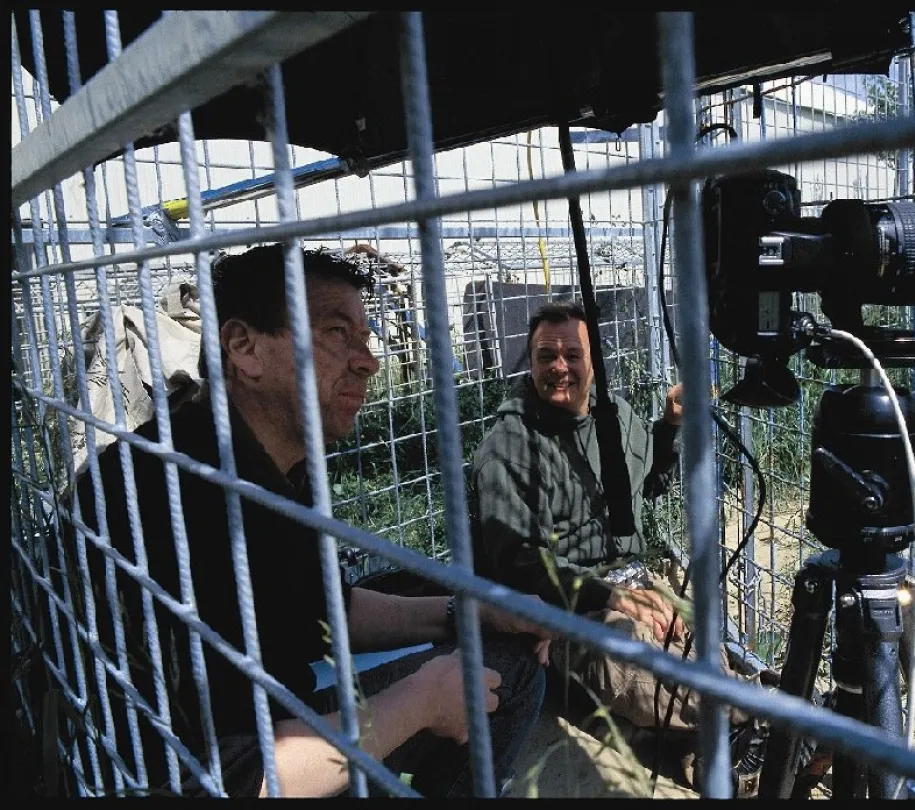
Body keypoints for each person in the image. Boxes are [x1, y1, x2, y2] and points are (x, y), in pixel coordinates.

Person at [61, 244, 551, 798]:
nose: (367, 360)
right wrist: (413, 703)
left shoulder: (283, 460)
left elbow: (323, 611)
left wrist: (471, 612)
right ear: (244, 348)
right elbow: (210, 778)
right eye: (337, 333)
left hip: (276, 721)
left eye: (365, 339)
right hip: (211, 775)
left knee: (503, 662)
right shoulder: (151, 498)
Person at [470, 299, 764, 786]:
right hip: (566, 609)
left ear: (594, 361)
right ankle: (772, 716)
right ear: (531, 362)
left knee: (696, 641)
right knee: (634, 662)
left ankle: (723, 754)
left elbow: (645, 480)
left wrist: (669, 427)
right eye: (545, 356)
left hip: (636, 582)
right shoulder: (508, 446)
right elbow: (515, 561)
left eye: (572, 354)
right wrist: (611, 597)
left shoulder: (617, 417)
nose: (559, 367)